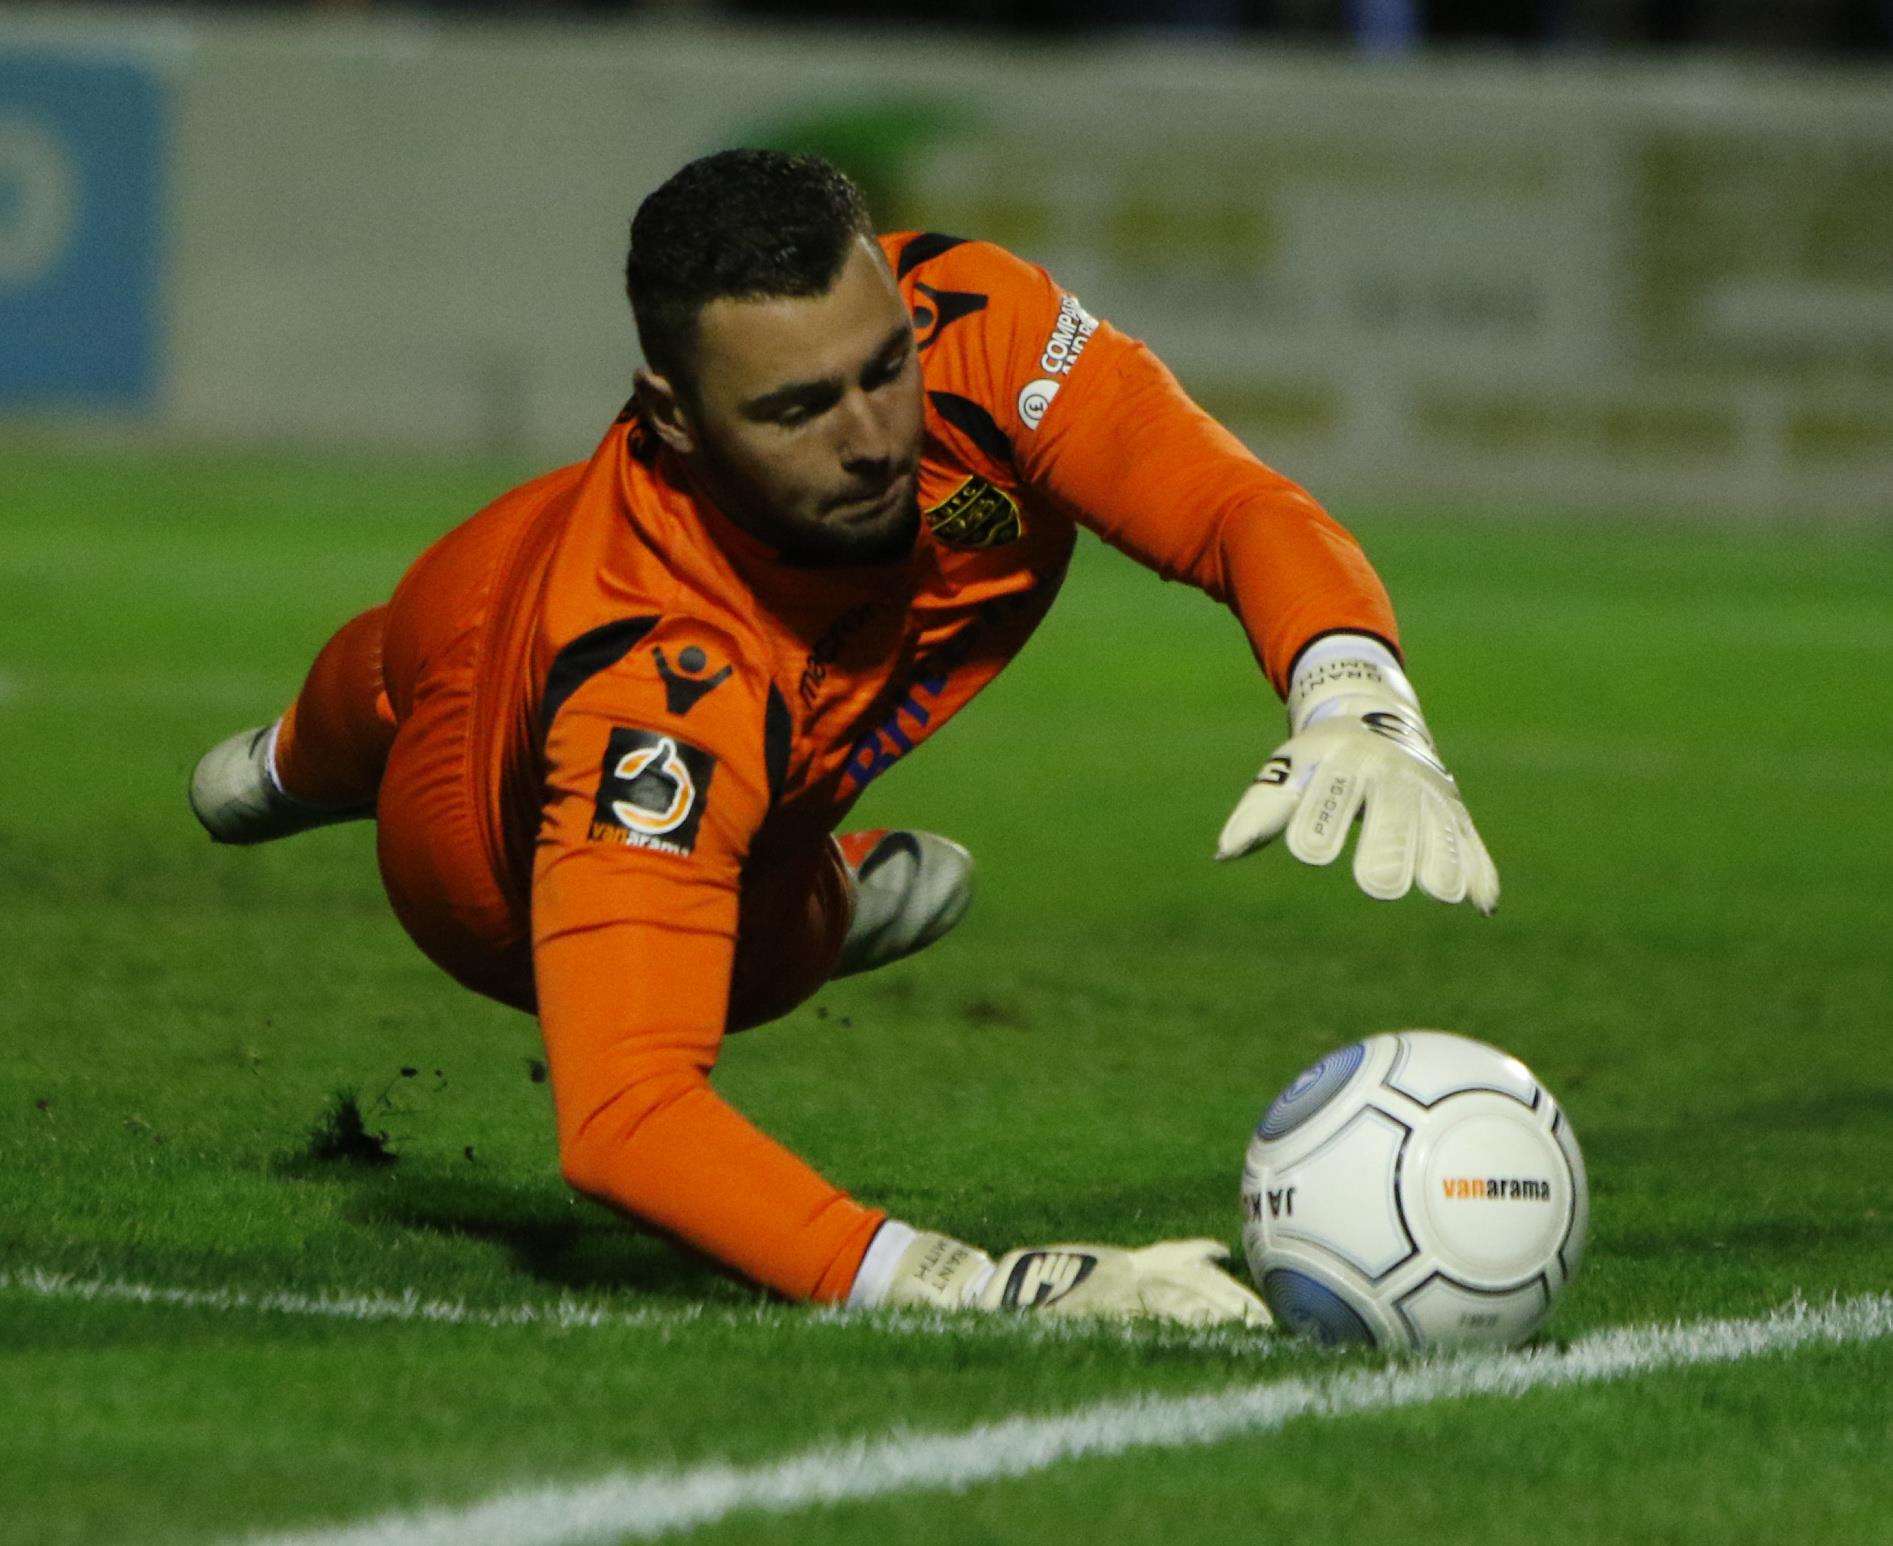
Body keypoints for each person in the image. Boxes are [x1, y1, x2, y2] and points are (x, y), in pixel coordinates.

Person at [190, 150, 1497, 1327]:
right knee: (418, 673)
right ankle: (313, 773)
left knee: (462, 622)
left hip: (566, 586)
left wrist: (1350, 689)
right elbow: (624, 1120)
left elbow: (1226, 502)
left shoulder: (979, 323)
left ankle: (765, 857)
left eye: (883, 368)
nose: (874, 438)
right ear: (675, 417)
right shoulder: (657, 693)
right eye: (799, 409)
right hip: (483, 866)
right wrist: (967, 1283)